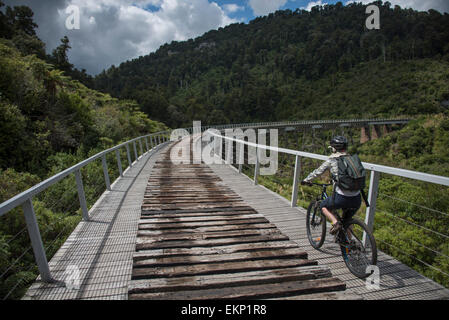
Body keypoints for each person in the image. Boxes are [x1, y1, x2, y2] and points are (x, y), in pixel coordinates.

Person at [301, 136, 362, 236]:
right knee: (347, 220)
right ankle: (350, 245)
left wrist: (306, 180)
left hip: (341, 197)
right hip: (357, 198)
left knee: (323, 206)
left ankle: (335, 222)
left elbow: (318, 172)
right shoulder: (353, 159)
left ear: (334, 148)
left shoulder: (332, 160)